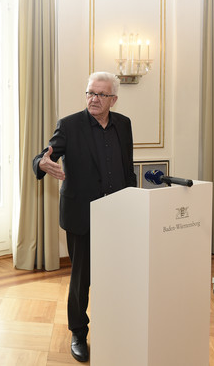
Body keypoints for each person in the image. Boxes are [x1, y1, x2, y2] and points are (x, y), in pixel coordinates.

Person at [32, 71, 136, 362]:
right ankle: (78, 332)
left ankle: (114, 324)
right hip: (82, 214)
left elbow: (127, 167)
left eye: (101, 94)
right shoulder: (69, 125)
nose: (93, 99)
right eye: (90, 92)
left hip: (118, 214)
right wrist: (42, 162)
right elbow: (45, 154)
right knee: (81, 278)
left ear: (113, 99)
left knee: (117, 273)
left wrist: (135, 203)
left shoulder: (124, 125)